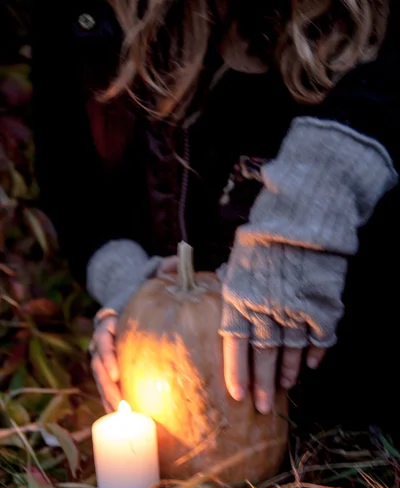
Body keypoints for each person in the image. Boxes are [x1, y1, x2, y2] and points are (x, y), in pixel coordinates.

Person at [31, 0, 400, 436]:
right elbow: (72, 180)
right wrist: (131, 286)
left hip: (369, 376)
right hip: (210, 378)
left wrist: (322, 187)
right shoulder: (84, 15)